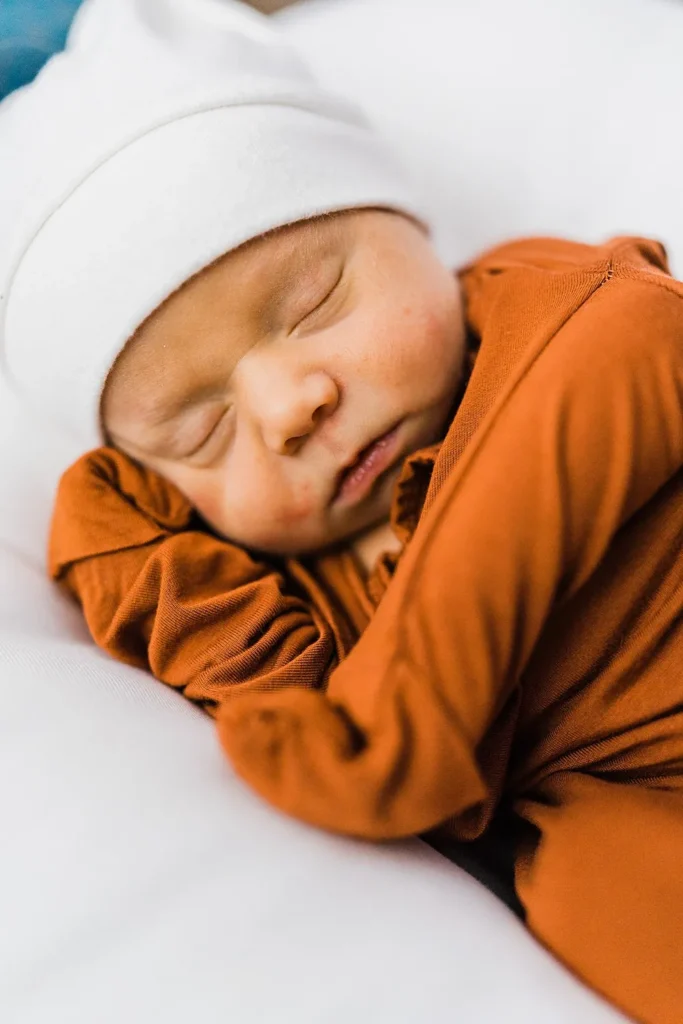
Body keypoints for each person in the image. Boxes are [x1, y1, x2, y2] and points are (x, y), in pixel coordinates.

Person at [3, 3, 683, 1022]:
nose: (287, 406)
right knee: (588, 893)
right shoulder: (293, 588)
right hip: (609, 792)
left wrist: (405, 723)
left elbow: (632, 348)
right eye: (200, 429)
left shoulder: (543, 316)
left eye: (313, 300)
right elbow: (280, 713)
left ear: (410, 230)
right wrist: (109, 506)